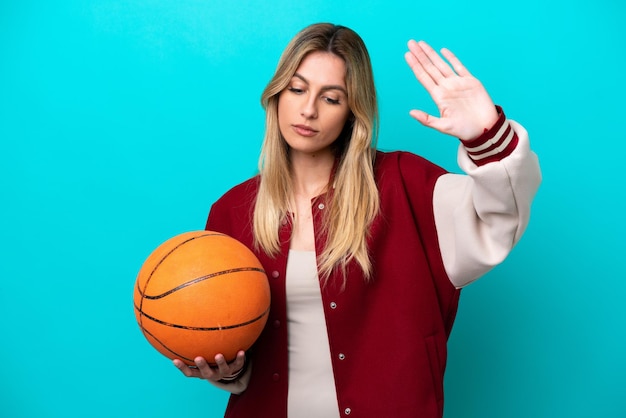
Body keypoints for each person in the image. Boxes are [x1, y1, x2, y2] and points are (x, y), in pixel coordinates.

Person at [173, 22, 541, 418]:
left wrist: (486, 137)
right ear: (277, 94)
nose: (308, 109)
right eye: (297, 89)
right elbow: (230, 338)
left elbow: (499, 219)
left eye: (331, 98)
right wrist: (229, 369)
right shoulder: (231, 211)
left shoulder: (407, 185)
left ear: (352, 112)